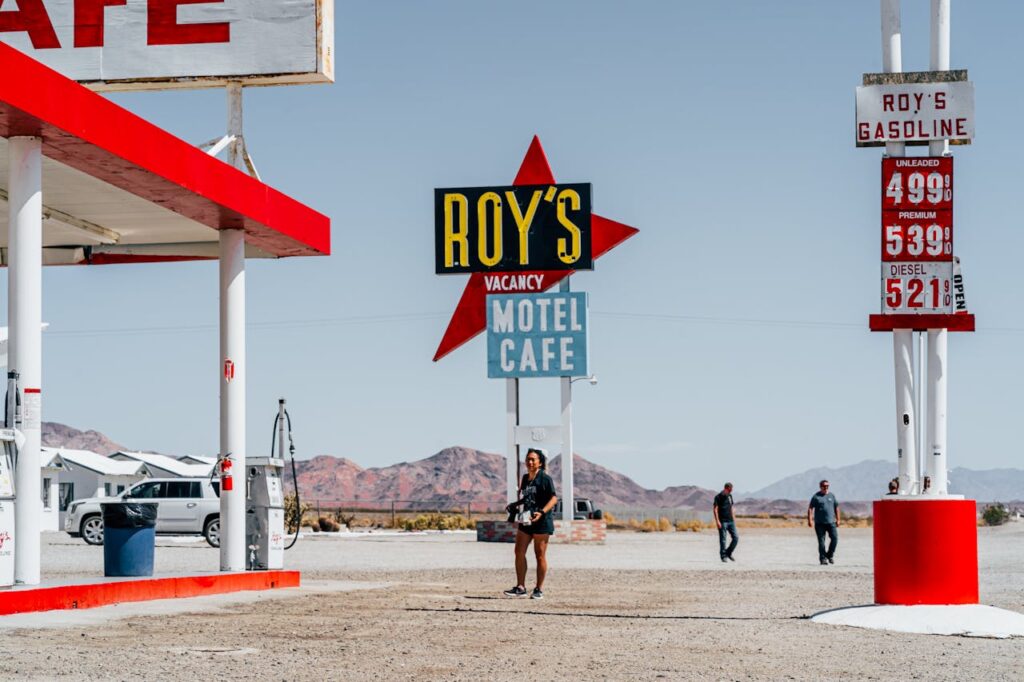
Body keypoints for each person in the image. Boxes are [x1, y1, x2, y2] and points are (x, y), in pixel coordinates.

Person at [504, 448, 557, 600]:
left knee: (539, 555)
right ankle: (520, 587)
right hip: (526, 519)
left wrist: (542, 512)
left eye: (533, 459)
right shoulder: (526, 478)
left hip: (542, 522)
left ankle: (539, 589)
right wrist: (515, 503)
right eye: (528, 459)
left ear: (540, 462)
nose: (530, 462)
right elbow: (527, 497)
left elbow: (553, 498)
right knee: (518, 551)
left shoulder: (545, 478)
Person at [807, 479, 840, 565]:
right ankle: (823, 559)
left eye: (827, 486)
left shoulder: (832, 496)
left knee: (835, 539)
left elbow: (836, 507)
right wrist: (810, 520)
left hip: (831, 523)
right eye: (824, 486)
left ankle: (830, 555)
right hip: (819, 524)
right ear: (820, 487)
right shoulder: (816, 496)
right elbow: (810, 508)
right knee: (821, 542)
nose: (826, 487)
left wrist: (838, 519)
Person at [713, 482, 738, 562]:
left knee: (736, 538)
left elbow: (731, 507)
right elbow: (715, 509)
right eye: (730, 490)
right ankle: (723, 556)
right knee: (723, 540)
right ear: (726, 488)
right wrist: (717, 521)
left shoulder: (730, 496)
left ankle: (728, 552)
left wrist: (733, 518)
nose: (731, 491)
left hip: (731, 521)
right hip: (722, 522)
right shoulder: (718, 497)